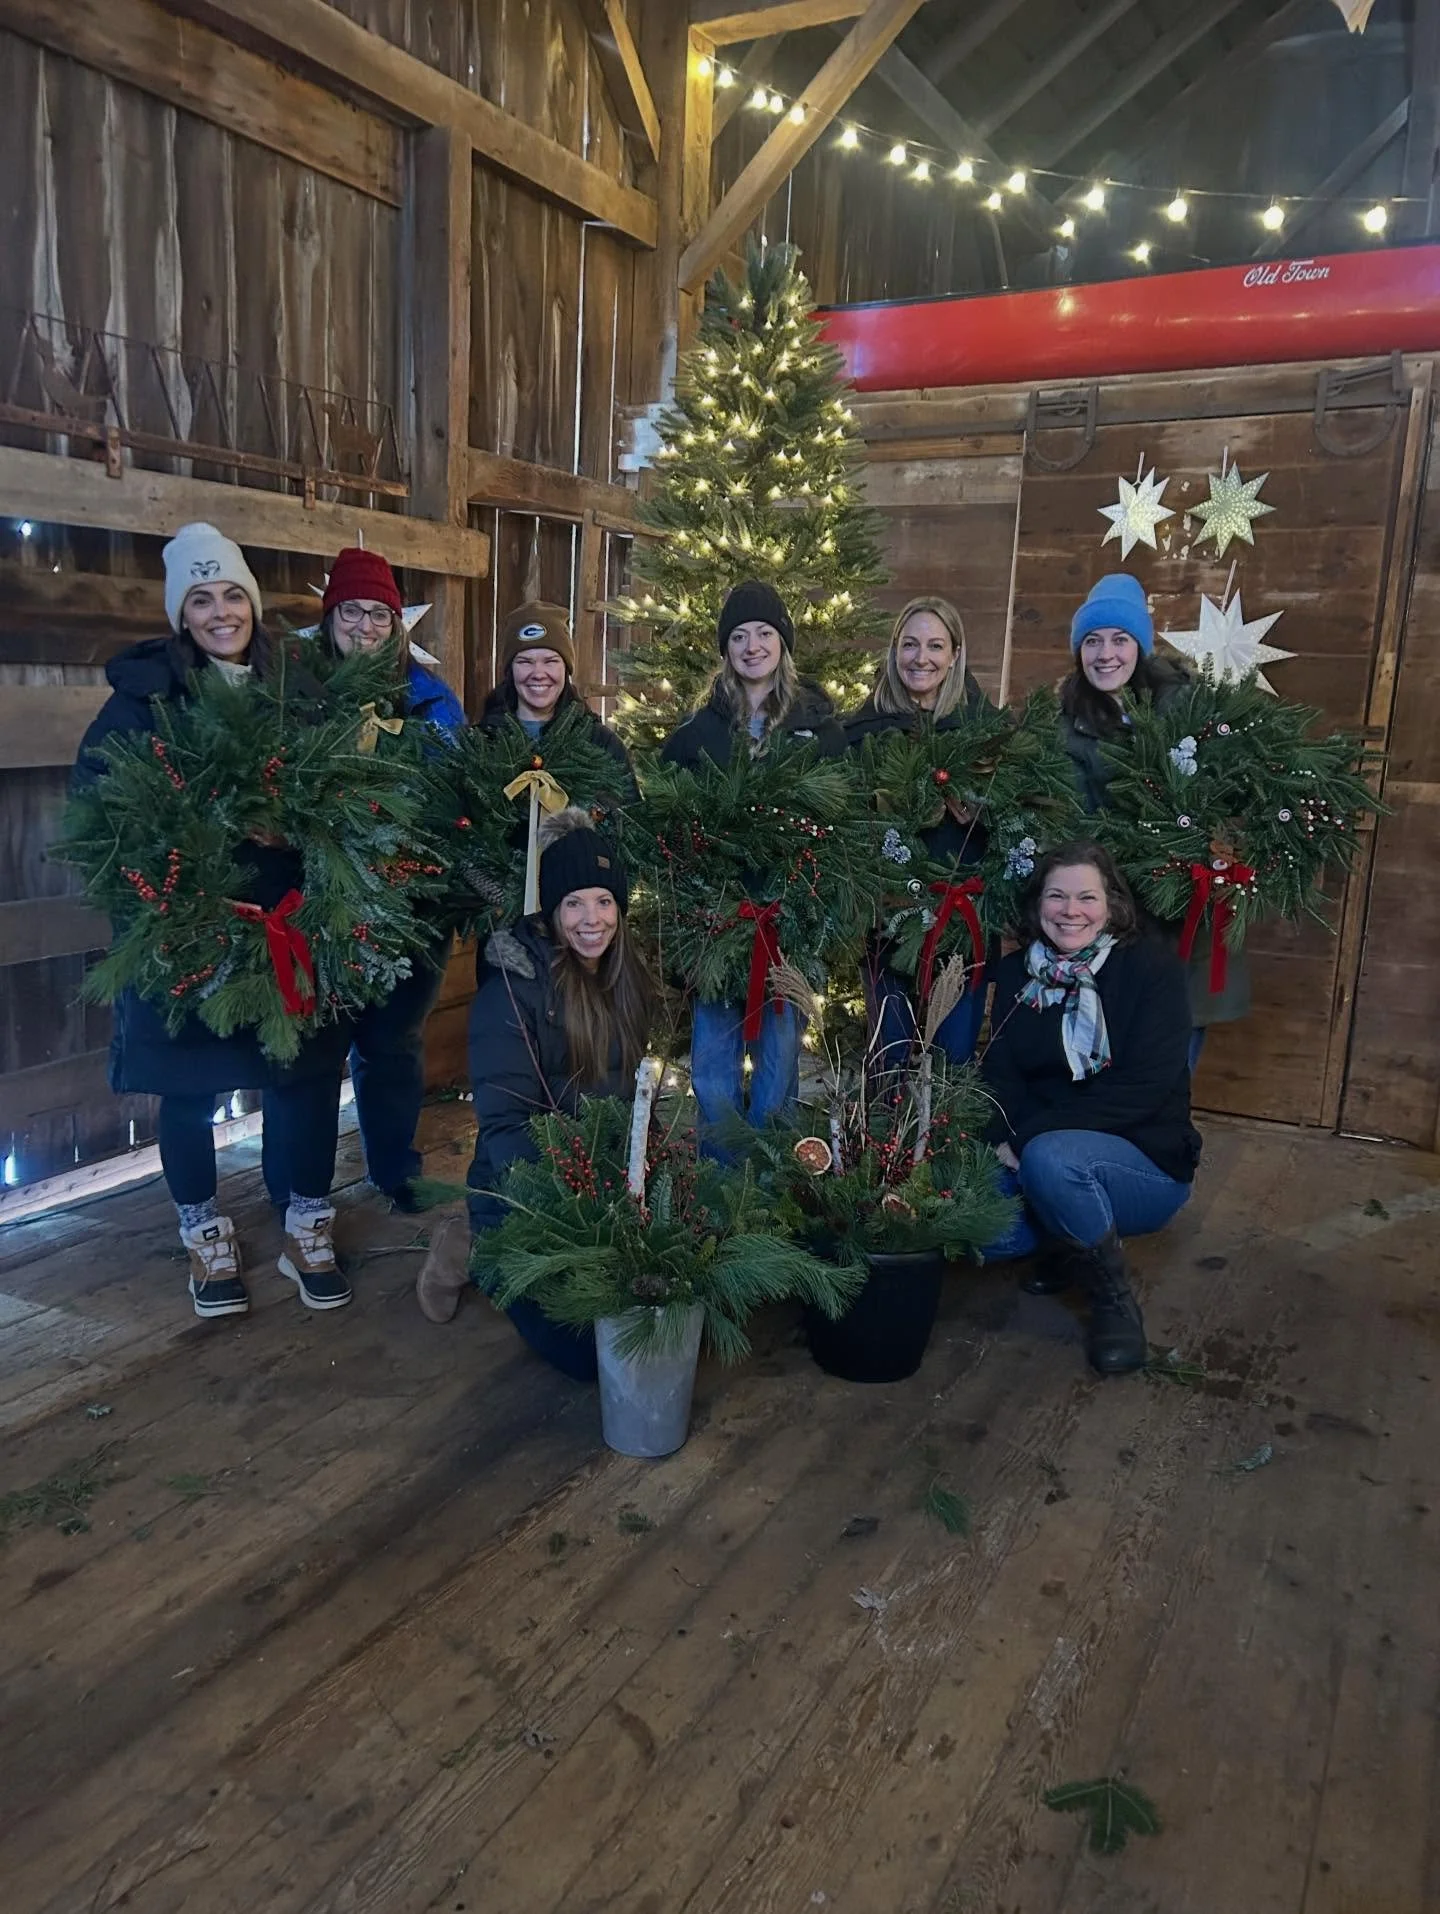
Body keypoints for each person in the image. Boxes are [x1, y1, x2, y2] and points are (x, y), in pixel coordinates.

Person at [72, 523, 349, 1320]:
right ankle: (204, 1232)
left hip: (287, 923)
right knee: (188, 1087)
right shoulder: (144, 699)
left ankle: (307, 1224)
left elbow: (343, 787)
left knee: (304, 1075)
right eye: (201, 599)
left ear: (252, 604)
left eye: (233, 594)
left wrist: (295, 831)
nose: (221, 612)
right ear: (181, 614)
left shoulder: (297, 689)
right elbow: (100, 805)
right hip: (192, 928)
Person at [260, 546, 463, 1214]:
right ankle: (293, 1183)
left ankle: (394, 1167)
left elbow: (454, 796)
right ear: (329, 617)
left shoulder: (431, 703)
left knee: (394, 1042)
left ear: (397, 623)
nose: (366, 626)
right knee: (307, 1051)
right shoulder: (293, 694)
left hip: (412, 908)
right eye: (352, 611)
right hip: (315, 905)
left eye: (380, 613)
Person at [418, 809, 656, 1377]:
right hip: (528, 1190)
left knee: (654, 1316)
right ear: (551, 909)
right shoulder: (514, 988)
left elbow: (630, 1099)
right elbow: (506, 1127)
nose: (592, 919)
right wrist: (571, 1210)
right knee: (587, 1354)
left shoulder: (627, 978)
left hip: (603, 1181)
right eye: (574, 903)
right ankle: (469, 1243)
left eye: (604, 900)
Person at [980, 841, 1201, 1377]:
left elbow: (1145, 1089)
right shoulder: (1015, 974)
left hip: (1140, 1159)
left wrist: (1027, 1139)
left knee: (1053, 1160)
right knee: (985, 1231)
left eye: (1087, 897)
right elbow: (1001, 1076)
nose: (1070, 911)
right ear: (1038, 905)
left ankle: (1113, 1304)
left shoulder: (1151, 969)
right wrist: (1001, 1139)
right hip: (1038, 1146)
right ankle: (1066, 1237)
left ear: (1112, 906)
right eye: (1056, 896)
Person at [660, 579, 846, 1136]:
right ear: (725, 648)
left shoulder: (817, 730)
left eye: (764, 632)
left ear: (783, 641)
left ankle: (770, 1176)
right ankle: (719, 1176)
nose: (752, 646)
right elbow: (668, 821)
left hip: (788, 923)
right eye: (738, 635)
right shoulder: (697, 735)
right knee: (712, 1070)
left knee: (778, 1068)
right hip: (717, 920)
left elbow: (842, 821)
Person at [1059, 572, 1249, 1068]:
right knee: (1108, 1058)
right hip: (1109, 916)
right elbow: (1072, 819)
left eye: (1120, 639)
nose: (1106, 654)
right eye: (1092, 641)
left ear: (1140, 646)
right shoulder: (1065, 723)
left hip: (1181, 919)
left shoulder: (1190, 708)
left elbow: (1230, 793)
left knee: (1170, 1061)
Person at [845, 595, 992, 1071]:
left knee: (954, 1058)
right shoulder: (861, 733)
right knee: (888, 1057)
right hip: (888, 920)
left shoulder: (984, 734)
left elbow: (1016, 820)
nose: (920, 658)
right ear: (894, 651)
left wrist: (983, 812)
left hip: (960, 920)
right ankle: (884, 1122)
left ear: (954, 654)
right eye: (909, 644)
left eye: (934, 645)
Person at [475, 599, 634, 787]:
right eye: (525, 662)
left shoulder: (602, 744)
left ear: (566, 668)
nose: (538, 674)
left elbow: (628, 805)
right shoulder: (480, 743)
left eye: (550, 661)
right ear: (510, 670)